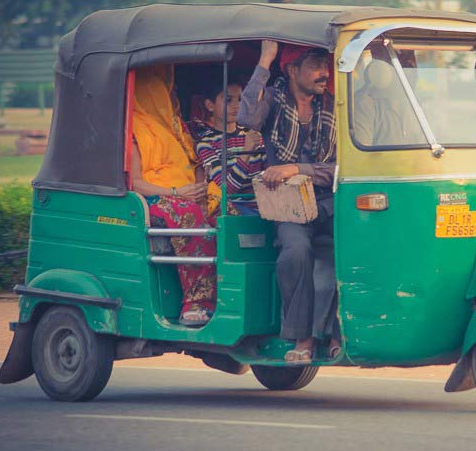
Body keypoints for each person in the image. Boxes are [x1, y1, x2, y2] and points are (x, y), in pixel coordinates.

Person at [238, 40, 340, 363]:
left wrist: (296, 169)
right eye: (314, 65)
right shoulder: (274, 100)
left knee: (360, 241)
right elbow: (246, 116)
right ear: (292, 70)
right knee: (295, 251)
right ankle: (303, 340)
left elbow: (340, 169)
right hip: (288, 208)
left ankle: (338, 333)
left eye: (325, 65)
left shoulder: (335, 107)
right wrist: (266, 60)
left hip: (329, 201)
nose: (324, 73)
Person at [130, 65, 220, 326]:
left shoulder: (172, 127)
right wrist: (176, 192)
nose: (167, 100)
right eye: (158, 95)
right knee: (188, 216)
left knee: (226, 210)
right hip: (154, 197)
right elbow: (136, 182)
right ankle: (195, 303)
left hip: (186, 191)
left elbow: (195, 163)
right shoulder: (135, 130)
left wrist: (201, 192)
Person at [192, 80, 266, 215]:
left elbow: (268, 174)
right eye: (228, 100)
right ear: (210, 105)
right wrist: (246, 151)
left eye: (240, 99)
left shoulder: (254, 136)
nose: (237, 105)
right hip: (235, 211)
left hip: (266, 206)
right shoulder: (206, 144)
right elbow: (228, 189)